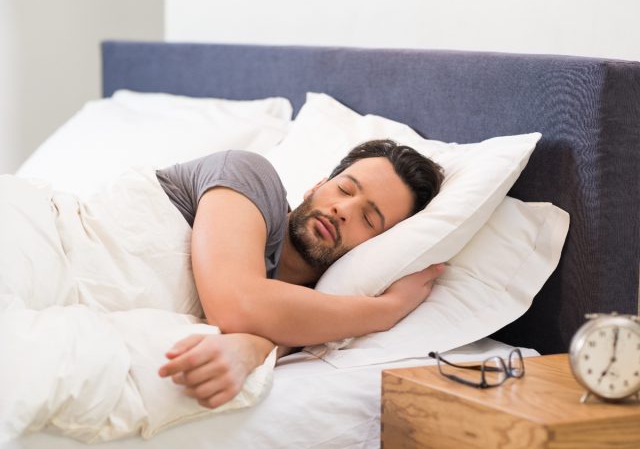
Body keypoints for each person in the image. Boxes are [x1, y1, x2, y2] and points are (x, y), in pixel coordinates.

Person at [157, 139, 445, 409]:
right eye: (344, 189)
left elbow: (274, 318)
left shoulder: (317, 313)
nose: (342, 210)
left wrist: (254, 346)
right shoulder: (249, 175)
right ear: (318, 185)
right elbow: (238, 305)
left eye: (369, 219)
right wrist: (389, 308)